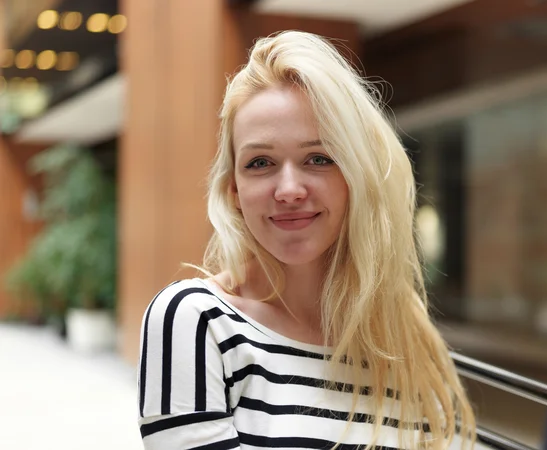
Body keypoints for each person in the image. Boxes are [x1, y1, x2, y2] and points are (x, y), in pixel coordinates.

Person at [137, 30, 476, 450]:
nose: (289, 188)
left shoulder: (403, 336)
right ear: (234, 192)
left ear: (357, 177)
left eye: (319, 158)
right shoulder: (197, 321)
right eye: (260, 163)